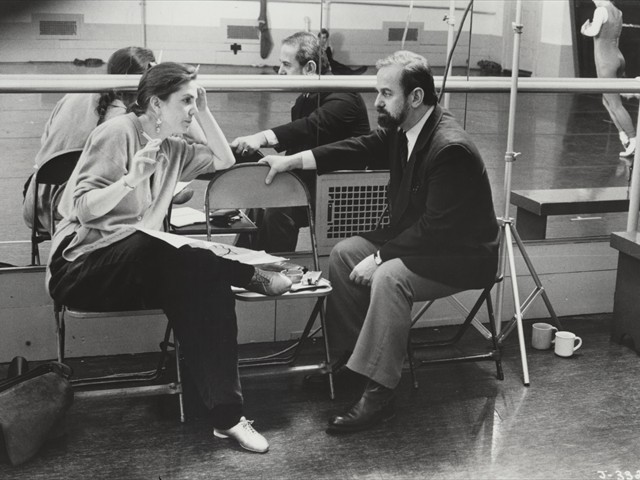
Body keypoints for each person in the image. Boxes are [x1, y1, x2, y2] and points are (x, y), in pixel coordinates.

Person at [46, 62, 293, 453]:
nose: (192, 109)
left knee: (205, 279)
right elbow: (83, 209)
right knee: (156, 244)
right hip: (81, 267)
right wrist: (130, 180)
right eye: (186, 101)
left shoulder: (173, 146)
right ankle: (248, 273)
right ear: (156, 105)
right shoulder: (117, 133)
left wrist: (206, 111)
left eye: (196, 101)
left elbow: (225, 161)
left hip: (139, 268)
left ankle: (226, 417)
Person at [258, 51, 500, 433]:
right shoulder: (405, 130)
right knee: (343, 254)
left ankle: (380, 393)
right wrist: (291, 161)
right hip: (423, 241)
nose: (377, 102)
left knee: (389, 277)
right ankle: (355, 364)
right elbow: (356, 148)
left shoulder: (450, 147)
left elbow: (437, 229)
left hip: (461, 255)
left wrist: (382, 256)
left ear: (415, 97)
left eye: (386, 93)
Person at [230, 31, 371, 252]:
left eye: (286, 65)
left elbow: (309, 126)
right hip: (315, 183)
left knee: (278, 207)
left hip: (340, 194)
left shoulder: (344, 97)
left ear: (310, 68)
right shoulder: (305, 98)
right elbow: (299, 141)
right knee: (262, 199)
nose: (280, 72)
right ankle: (243, 265)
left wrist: (260, 138)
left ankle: (277, 268)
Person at [23, 46, 156, 234]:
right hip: (73, 212)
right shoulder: (123, 123)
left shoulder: (72, 96)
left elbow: (45, 144)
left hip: (36, 205)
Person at [581, 0, 636, 157]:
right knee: (607, 101)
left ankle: (633, 140)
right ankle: (624, 136)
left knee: (615, 104)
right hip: (617, 57)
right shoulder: (618, 12)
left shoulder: (600, 11)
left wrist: (584, 29)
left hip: (606, 62)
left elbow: (593, 32)